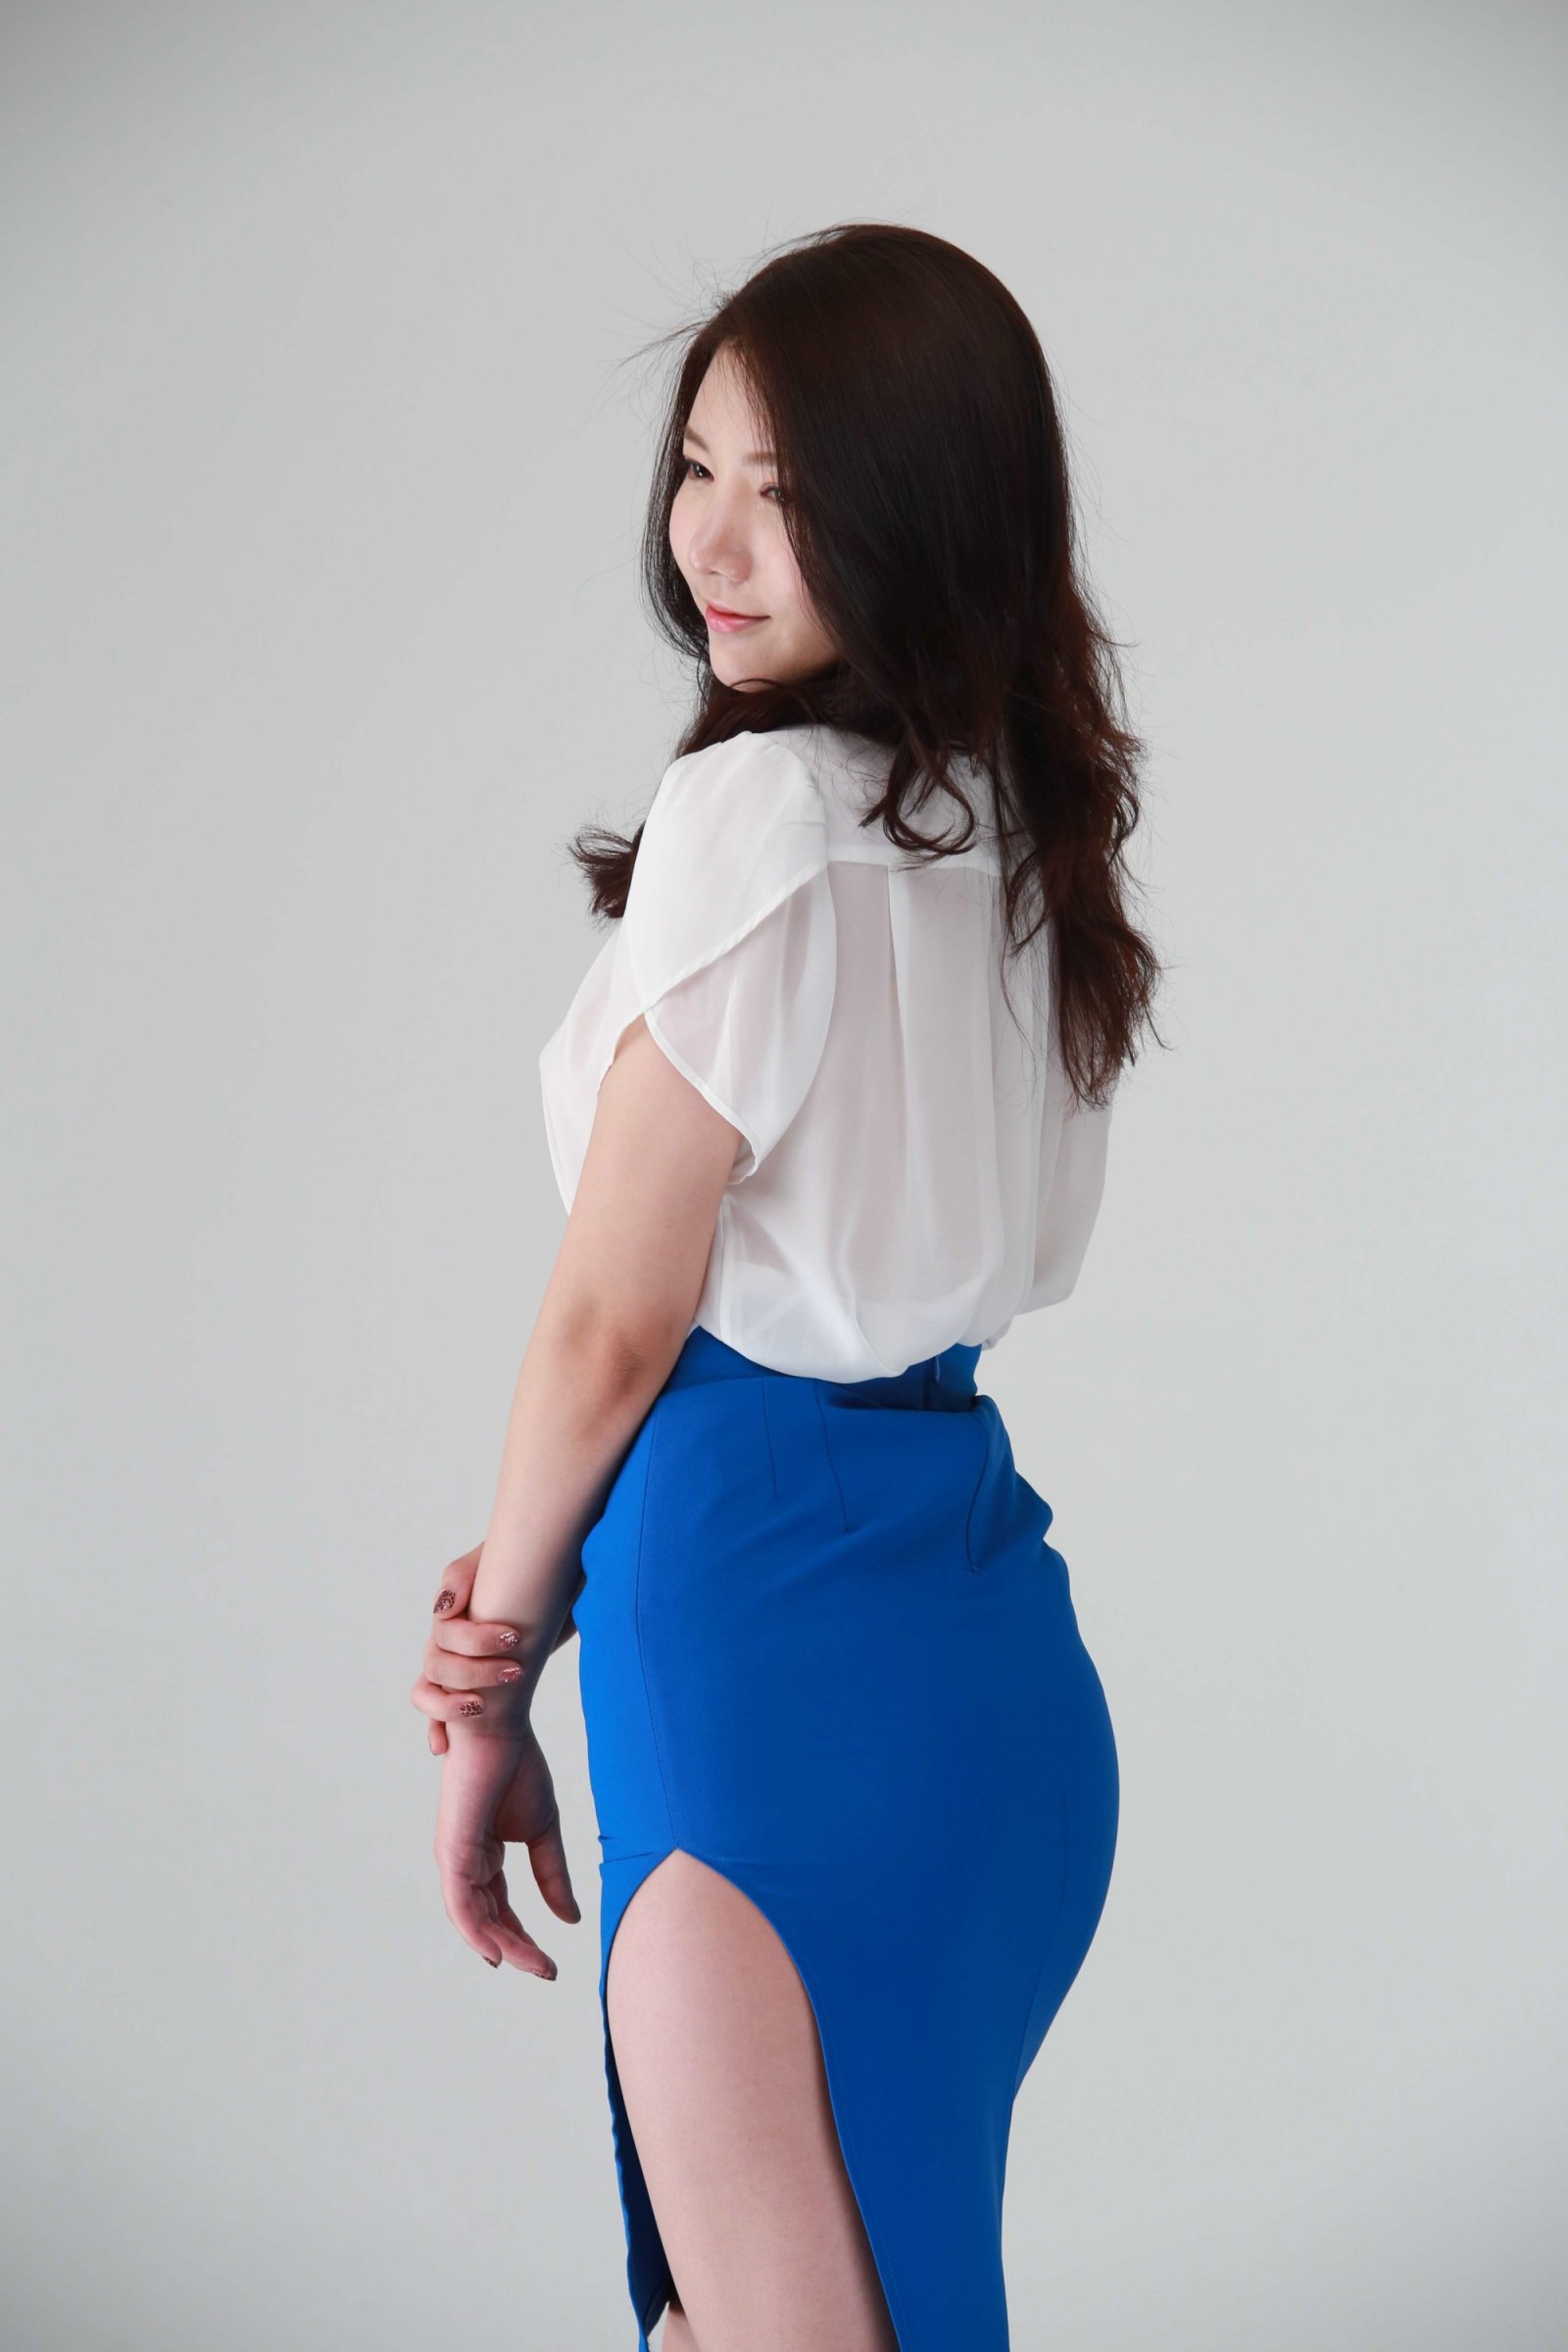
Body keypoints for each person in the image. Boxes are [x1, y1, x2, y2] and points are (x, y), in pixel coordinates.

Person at [409, 221, 1164, 2352]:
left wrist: (485, 1674)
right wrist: (531, 1587)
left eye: (791, 491)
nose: (714, 542)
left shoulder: (753, 810)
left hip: (754, 1642)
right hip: (989, 1660)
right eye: (699, 469)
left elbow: (612, 1325)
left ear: (922, 515)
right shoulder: (1024, 840)